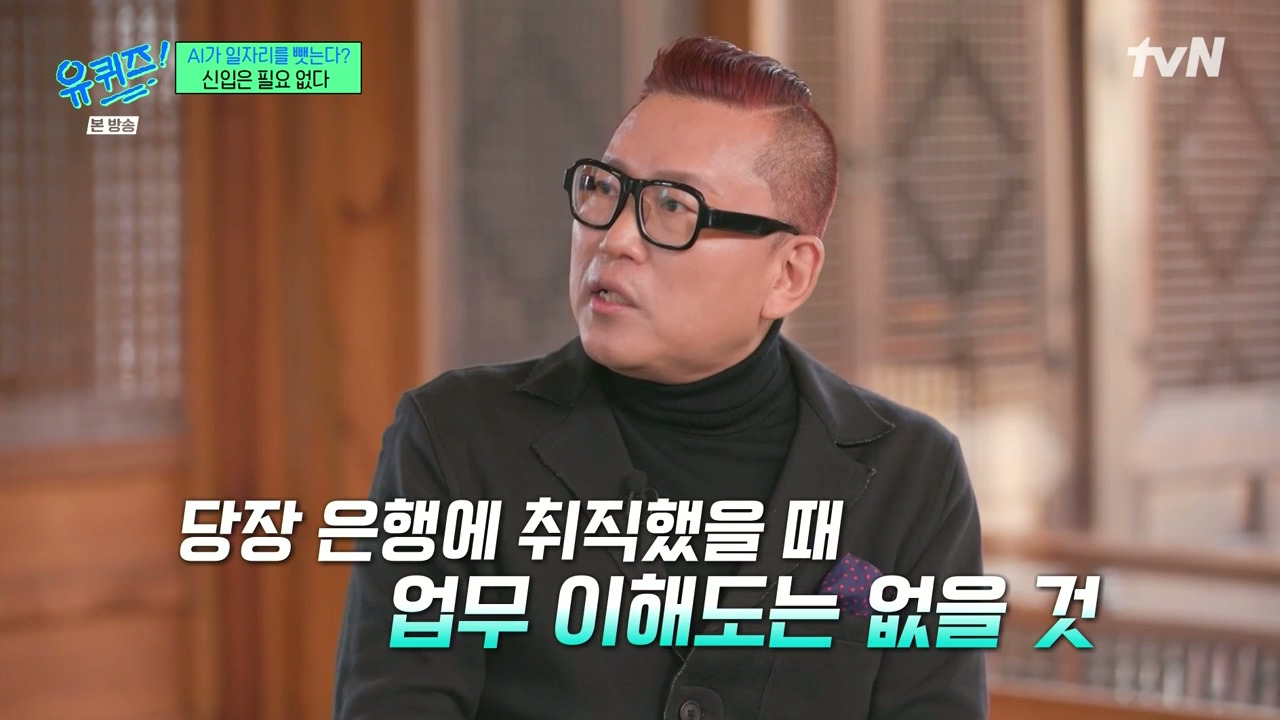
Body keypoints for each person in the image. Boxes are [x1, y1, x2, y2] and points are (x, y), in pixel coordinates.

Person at [333, 36, 986, 720]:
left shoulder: (912, 472)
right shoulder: (456, 438)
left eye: (674, 206)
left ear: (789, 274)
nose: (614, 238)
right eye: (604, 188)